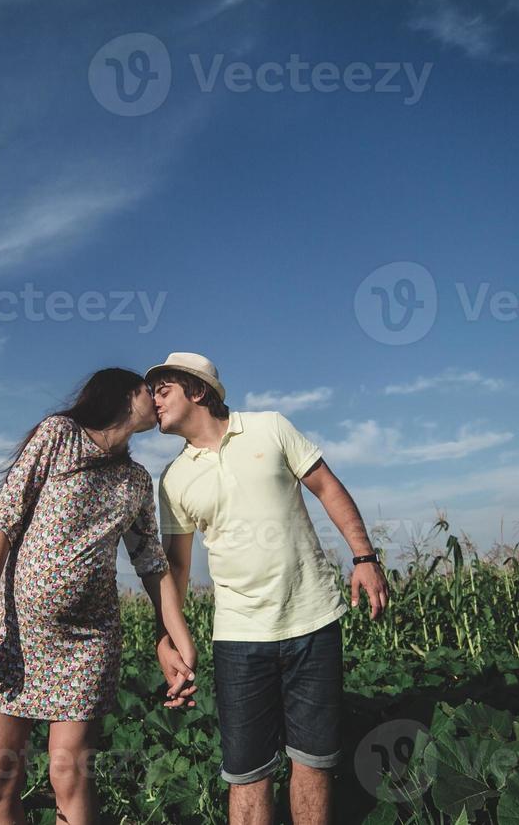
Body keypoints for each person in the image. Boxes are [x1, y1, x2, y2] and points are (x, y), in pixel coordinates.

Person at [146, 351, 389, 825]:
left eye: (163, 390)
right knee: (246, 774)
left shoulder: (271, 427)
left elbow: (327, 487)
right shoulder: (173, 479)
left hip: (312, 620)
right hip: (238, 637)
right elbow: (174, 569)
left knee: (313, 764)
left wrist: (364, 557)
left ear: (197, 391)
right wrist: (165, 637)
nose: (152, 400)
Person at [0, 367, 199, 825]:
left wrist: (178, 638)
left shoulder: (135, 481)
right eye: (151, 391)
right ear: (126, 394)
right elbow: (2, 525)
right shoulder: (58, 436)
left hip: (88, 645)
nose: (160, 400)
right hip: (16, 638)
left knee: (69, 775)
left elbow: (153, 565)